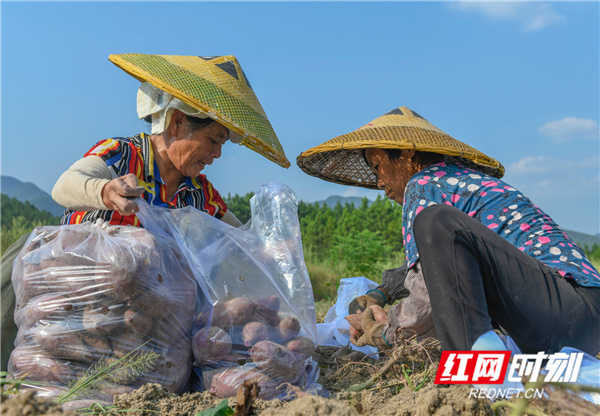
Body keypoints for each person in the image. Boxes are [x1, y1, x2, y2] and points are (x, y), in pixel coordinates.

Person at [1, 53, 290, 370]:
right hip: (78, 294)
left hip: (143, 315)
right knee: (22, 260)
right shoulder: (121, 154)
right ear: (178, 122)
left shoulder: (200, 193)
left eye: (223, 144)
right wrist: (106, 191)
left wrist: (272, 247)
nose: (217, 154)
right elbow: (65, 186)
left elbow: (242, 239)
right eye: (213, 139)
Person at [297, 106, 600, 356]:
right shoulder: (456, 181)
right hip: (579, 314)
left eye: (378, 167)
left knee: (434, 222)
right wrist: (384, 291)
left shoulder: (423, 184)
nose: (379, 182)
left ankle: (473, 365)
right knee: (437, 226)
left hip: (568, 311)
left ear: (406, 154)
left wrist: (385, 330)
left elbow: (429, 294)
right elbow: (448, 267)